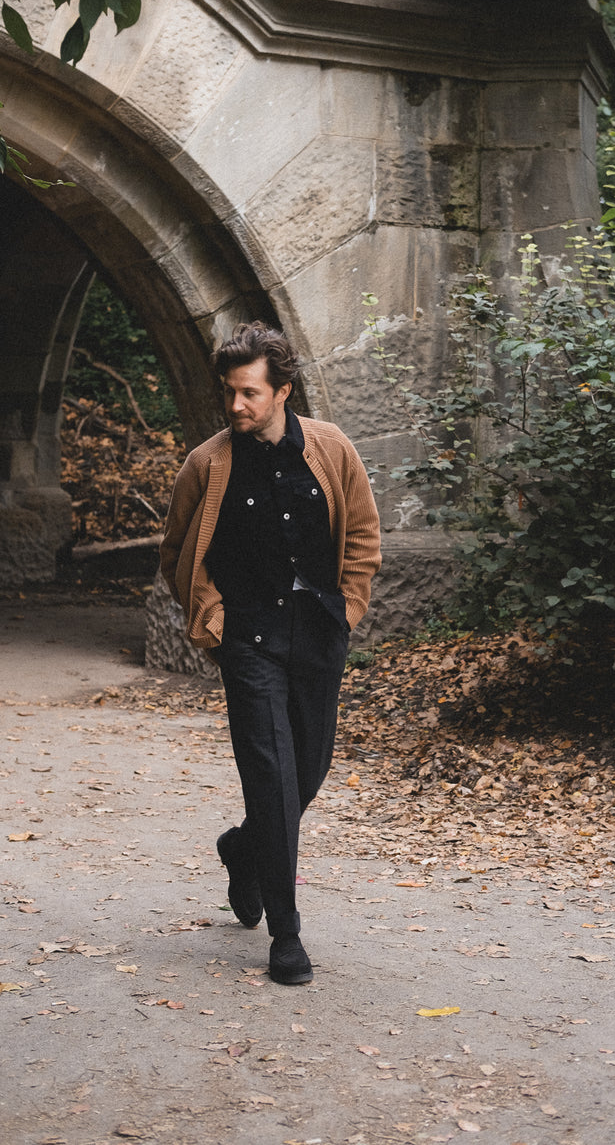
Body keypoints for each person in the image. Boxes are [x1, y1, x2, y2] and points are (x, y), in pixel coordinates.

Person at [160, 322, 381, 985]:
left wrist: (348, 609)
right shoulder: (208, 464)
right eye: (230, 392)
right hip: (249, 642)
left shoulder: (331, 449)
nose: (236, 405)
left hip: (317, 635)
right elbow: (177, 555)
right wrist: (214, 622)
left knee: (307, 770)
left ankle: (244, 848)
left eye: (250, 392)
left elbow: (364, 536)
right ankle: (287, 937)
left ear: (283, 389)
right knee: (272, 778)